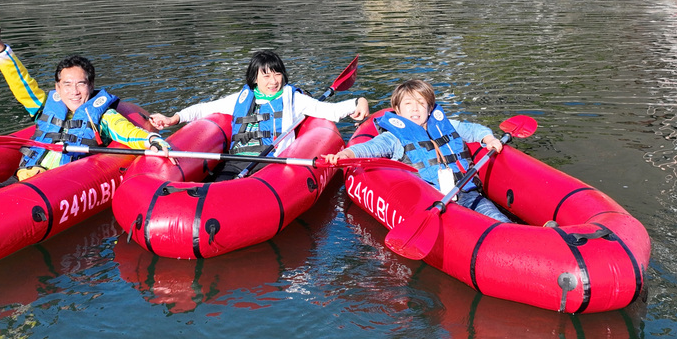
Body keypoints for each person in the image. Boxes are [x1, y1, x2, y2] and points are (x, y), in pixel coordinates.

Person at [0, 8, 167, 189]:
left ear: (91, 86)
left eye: (80, 84)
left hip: (59, 186)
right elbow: (19, 81)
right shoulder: (42, 106)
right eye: (67, 84)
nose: (74, 91)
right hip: (24, 179)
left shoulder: (103, 117)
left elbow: (129, 133)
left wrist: (152, 140)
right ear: (57, 87)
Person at [149, 49, 369, 180]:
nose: (274, 81)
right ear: (254, 79)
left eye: (277, 73)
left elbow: (328, 111)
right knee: (214, 188)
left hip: (271, 165)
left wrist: (358, 102)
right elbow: (205, 108)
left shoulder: (293, 98)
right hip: (234, 160)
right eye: (266, 76)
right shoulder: (241, 98)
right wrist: (173, 118)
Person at [325, 78, 511, 223]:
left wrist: (489, 138)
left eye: (421, 103)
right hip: (434, 203)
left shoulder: (445, 126)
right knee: (470, 226)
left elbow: (473, 130)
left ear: (429, 108)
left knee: (499, 220)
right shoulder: (394, 137)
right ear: (398, 110)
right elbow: (369, 148)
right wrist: (344, 155)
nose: (415, 108)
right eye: (408, 104)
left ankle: (529, 238)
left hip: (468, 193)